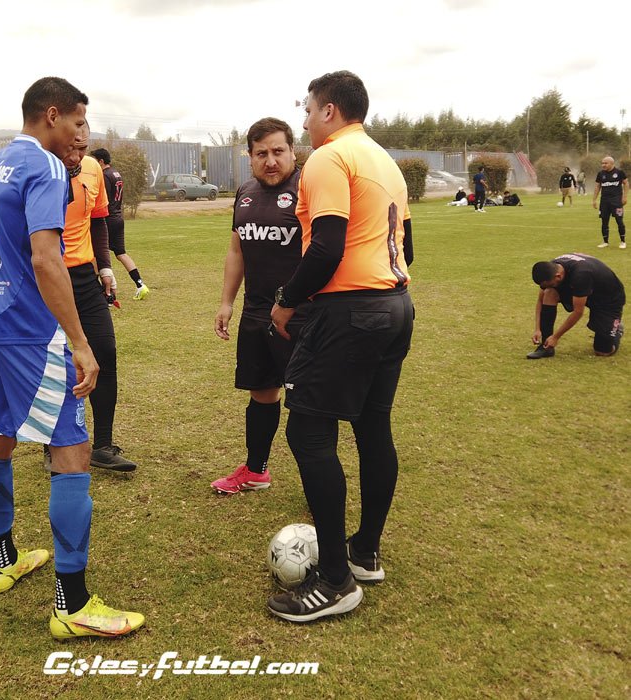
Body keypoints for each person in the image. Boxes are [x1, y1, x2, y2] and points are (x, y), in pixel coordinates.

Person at [0, 76, 143, 639]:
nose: (81, 136)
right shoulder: (44, 168)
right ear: (52, 115)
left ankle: (4, 563)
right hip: (30, 331)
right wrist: (78, 340)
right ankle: (72, 605)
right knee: (71, 452)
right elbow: (48, 260)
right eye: (77, 124)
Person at [268, 71, 414, 622]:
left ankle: (334, 580)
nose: (303, 120)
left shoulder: (330, 158)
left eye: (307, 110)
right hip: (395, 305)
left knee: (307, 429)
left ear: (329, 111)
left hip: (351, 309)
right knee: (373, 427)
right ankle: (364, 552)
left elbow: (326, 245)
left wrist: (286, 301)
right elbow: (407, 247)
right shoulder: (385, 161)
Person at [211, 117, 304, 495]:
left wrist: (297, 302)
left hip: (300, 315)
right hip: (255, 312)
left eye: (278, 151)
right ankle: (256, 470)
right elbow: (237, 249)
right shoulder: (245, 192)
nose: (271, 160)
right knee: (262, 391)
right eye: (261, 153)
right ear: (249, 157)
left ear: (292, 151)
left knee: (306, 405)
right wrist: (227, 302)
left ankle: (318, 486)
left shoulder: (308, 188)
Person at [60, 124, 138, 471]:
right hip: (45, 276)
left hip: (83, 274)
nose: (76, 156)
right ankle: (55, 443)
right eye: (70, 148)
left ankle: (103, 445)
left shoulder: (93, 169)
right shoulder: (40, 169)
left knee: (104, 349)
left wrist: (105, 268)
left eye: (83, 147)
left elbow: (98, 222)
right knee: (58, 360)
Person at [527, 253, 624, 359]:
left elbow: (578, 312)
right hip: (583, 290)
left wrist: (556, 337)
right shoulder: (551, 268)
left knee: (602, 351)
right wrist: (538, 329)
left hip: (607, 299)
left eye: (550, 284)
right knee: (549, 292)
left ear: (558, 276)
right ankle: (546, 347)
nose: (545, 287)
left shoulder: (581, 275)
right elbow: (540, 301)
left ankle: (617, 328)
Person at [90, 147, 150, 300]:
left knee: (96, 253)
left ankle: (106, 291)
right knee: (121, 253)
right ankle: (140, 284)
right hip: (118, 217)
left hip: (107, 218)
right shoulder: (117, 174)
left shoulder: (104, 175)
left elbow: (101, 198)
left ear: (101, 161)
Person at [592, 156, 628, 249]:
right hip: (604, 202)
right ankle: (605, 242)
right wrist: (594, 200)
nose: (603, 165)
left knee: (619, 221)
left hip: (617, 202)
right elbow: (597, 186)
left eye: (605, 163)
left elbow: (626, 183)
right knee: (604, 221)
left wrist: (624, 197)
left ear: (612, 163)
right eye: (602, 163)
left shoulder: (619, 173)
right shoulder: (600, 174)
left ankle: (623, 241)